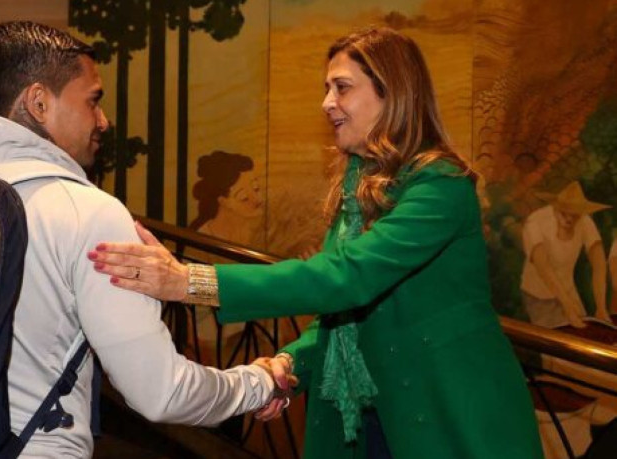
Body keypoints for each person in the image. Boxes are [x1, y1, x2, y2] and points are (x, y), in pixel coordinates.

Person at [90, 28, 543, 458]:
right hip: (366, 421)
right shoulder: (357, 185)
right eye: (327, 88)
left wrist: (190, 281)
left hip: (447, 417)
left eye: (342, 87)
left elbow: (348, 278)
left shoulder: (440, 185)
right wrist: (289, 365)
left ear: (393, 91)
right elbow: (341, 315)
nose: (327, 103)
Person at [0, 21, 280, 458]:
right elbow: (162, 392)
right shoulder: (85, 212)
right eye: (93, 101)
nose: (103, 120)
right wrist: (259, 382)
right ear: (39, 102)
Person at [521, 181, 612, 329]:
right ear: (555, 208)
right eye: (564, 213)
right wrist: (568, 306)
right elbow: (544, 268)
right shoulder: (535, 222)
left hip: (568, 289)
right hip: (539, 295)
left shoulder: (584, 220)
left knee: (584, 335)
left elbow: (599, 262)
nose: (569, 219)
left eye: (574, 215)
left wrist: (601, 307)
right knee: (554, 345)